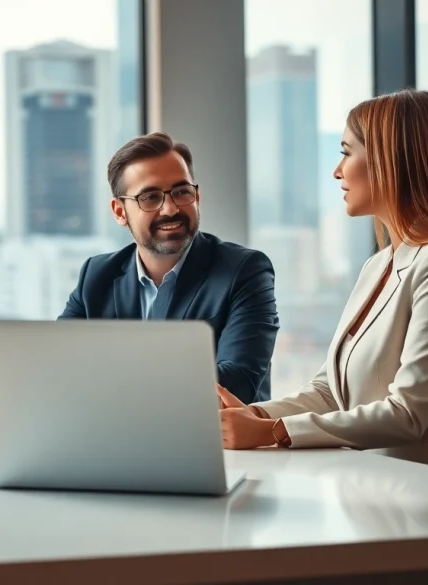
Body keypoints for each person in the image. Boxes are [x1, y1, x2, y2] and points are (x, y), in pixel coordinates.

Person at [215, 89, 428, 477]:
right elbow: (329, 393)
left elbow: (407, 414)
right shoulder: (377, 266)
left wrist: (274, 431)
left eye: (346, 152)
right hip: (377, 479)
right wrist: (252, 415)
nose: (337, 171)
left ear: (391, 160)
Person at [59, 132, 279, 404]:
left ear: (196, 197)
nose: (170, 209)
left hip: (215, 441)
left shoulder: (244, 271)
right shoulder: (96, 275)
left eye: (181, 192)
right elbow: (59, 369)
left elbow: (236, 383)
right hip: (112, 438)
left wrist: (105, 379)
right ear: (119, 211)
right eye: (150, 197)